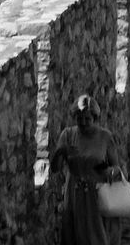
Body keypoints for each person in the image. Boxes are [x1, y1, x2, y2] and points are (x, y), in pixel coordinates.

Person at [51, 94, 124, 245]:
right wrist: (61, 151)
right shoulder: (68, 135)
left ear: (95, 118)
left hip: (97, 194)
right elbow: (55, 168)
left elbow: (116, 166)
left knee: (97, 235)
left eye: (87, 119)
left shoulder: (105, 137)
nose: (83, 123)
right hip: (74, 194)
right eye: (79, 119)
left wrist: (112, 172)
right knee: (74, 235)